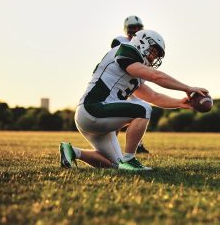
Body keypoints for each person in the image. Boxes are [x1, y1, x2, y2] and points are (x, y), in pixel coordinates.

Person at [59, 30, 208, 171]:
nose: (153, 58)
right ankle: (129, 159)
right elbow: (156, 77)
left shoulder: (132, 71)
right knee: (143, 109)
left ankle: (72, 152)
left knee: (115, 165)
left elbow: (153, 97)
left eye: (156, 56)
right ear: (143, 43)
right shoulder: (126, 50)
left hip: (94, 116)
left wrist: (179, 103)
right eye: (153, 51)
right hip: (93, 108)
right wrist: (187, 88)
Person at [111, 15, 149, 153]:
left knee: (142, 110)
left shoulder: (144, 44)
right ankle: (111, 143)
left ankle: (137, 145)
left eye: (139, 28)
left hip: (134, 82)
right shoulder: (119, 41)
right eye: (133, 27)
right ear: (126, 29)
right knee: (115, 113)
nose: (136, 30)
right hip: (120, 82)